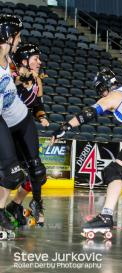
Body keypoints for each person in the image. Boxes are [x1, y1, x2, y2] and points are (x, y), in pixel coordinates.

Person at [49, 69, 122, 232]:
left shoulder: (111, 98)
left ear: (103, 88)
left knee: (114, 171)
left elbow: (88, 113)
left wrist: (65, 126)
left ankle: (106, 216)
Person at [0, 15, 40, 234]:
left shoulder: (7, 57)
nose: (19, 40)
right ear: (7, 37)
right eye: (17, 36)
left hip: (17, 116)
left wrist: (20, 79)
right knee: (11, 172)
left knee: (15, 174)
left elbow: (6, 80)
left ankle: (3, 212)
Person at [6, 44, 49, 226]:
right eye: (36, 58)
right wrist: (19, 76)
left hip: (24, 125)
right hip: (7, 127)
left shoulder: (37, 80)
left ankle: (17, 205)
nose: (39, 61)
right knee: (9, 173)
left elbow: (37, 105)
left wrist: (42, 116)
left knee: (38, 173)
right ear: (24, 61)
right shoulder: (11, 76)